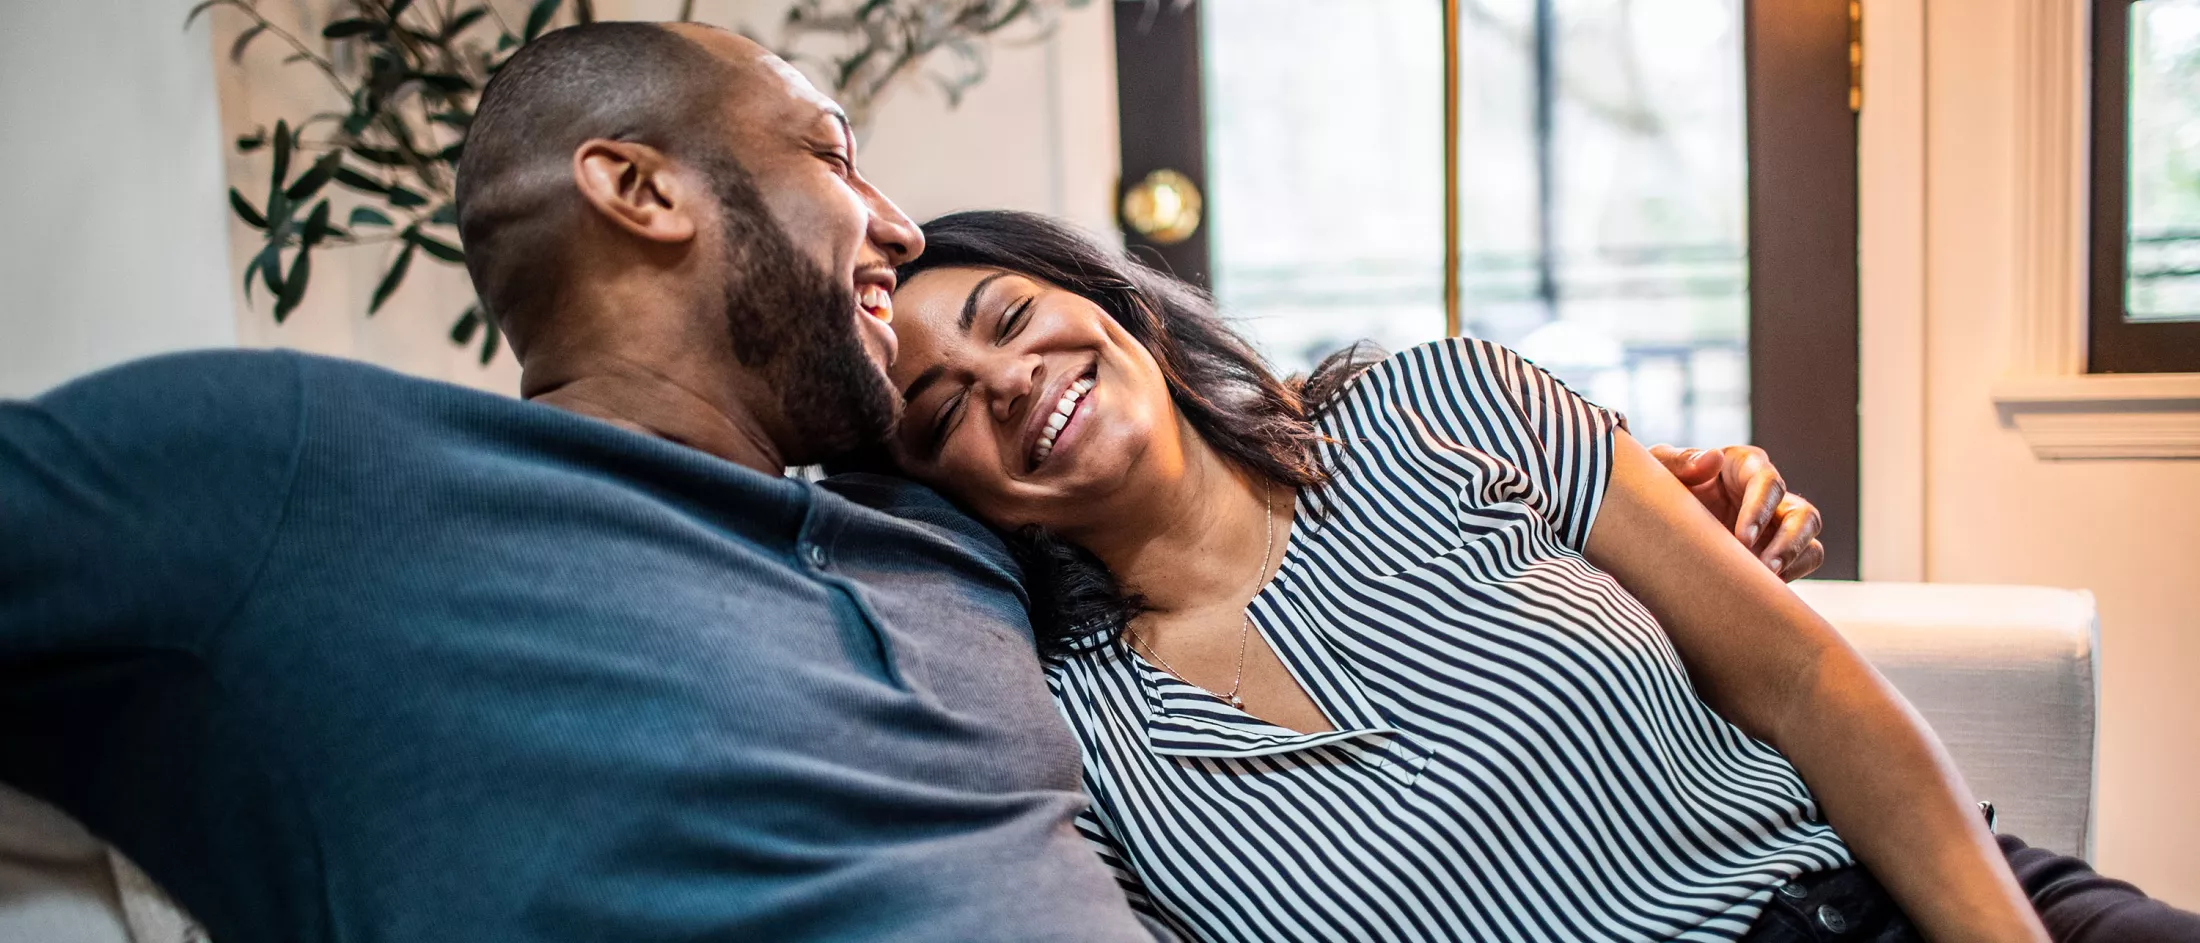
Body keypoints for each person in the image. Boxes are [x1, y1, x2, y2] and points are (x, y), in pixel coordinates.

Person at [0, 21, 1803, 943]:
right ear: (642, 194)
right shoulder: (307, 481)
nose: (892, 222)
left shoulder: (947, 537)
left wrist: (1647, 510)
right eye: (832, 153)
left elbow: (1256, 497)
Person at [873, 209, 2200, 943]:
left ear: (1102, 301)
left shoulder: (1444, 403)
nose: (1009, 381)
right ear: (953, 492)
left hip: (1926, 902)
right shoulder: (1080, 734)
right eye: (943, 413)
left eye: (1009, 317)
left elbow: (1800, 678)